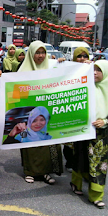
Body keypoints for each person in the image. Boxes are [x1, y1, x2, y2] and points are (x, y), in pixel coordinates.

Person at [18, 40, 63, 184]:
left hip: (46, 113)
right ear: (31, 53)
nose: (41, 56)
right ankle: (29, 171)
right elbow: (18, 94)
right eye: (37, 52)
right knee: (30, 143)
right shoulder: (23, 71)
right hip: (30, 114)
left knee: (46, 144)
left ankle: (46, 172)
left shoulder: (50, 68)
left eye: (43, 52)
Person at [70, 61, 108, 209]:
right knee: (79, 156)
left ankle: (96, 196)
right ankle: (76, 183)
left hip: (101, 133)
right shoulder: (84, 85)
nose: (94, 73)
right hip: (83, 129)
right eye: (93, 69)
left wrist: (104, 121)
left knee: (98, 163)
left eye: (99, 70)